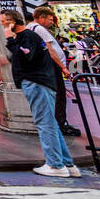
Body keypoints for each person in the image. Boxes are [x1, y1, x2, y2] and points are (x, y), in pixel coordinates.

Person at [2, 8, 80, 178]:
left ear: (12, 23)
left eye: (4, 23)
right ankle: (67, 163)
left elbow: (25, 56)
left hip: (37, 82)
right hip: (42, 82)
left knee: (44, 124)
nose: (3, 27)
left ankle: (55, 165)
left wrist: (9, 40)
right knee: (51, 123)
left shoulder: (27, 36)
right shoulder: (30, 36)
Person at [30, 7, 78, 137]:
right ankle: (60, 124)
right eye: (50, 20)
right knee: (59, 95)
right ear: (41, 18)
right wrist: (63, 67)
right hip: (52, 66)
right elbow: (50, 50)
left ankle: (57, 123)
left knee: (53, 95)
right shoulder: (39, 29)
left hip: (44, 67)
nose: (52, 22)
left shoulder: (31, 28)